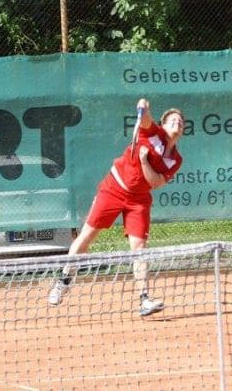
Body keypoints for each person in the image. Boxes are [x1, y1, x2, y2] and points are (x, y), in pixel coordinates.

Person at [48, 98, 185, 316]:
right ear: (163, 123)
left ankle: (144, 300)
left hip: (139, 200)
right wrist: (143, 106)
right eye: (173, 121)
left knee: (140, 248)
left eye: (181, 122)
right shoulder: (152, 133)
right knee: (86, 237)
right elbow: (146, 116)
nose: (177, 124)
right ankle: (63, 281)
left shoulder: (176, 159)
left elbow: (155, 183)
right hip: (113, 188)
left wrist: (144, 162)